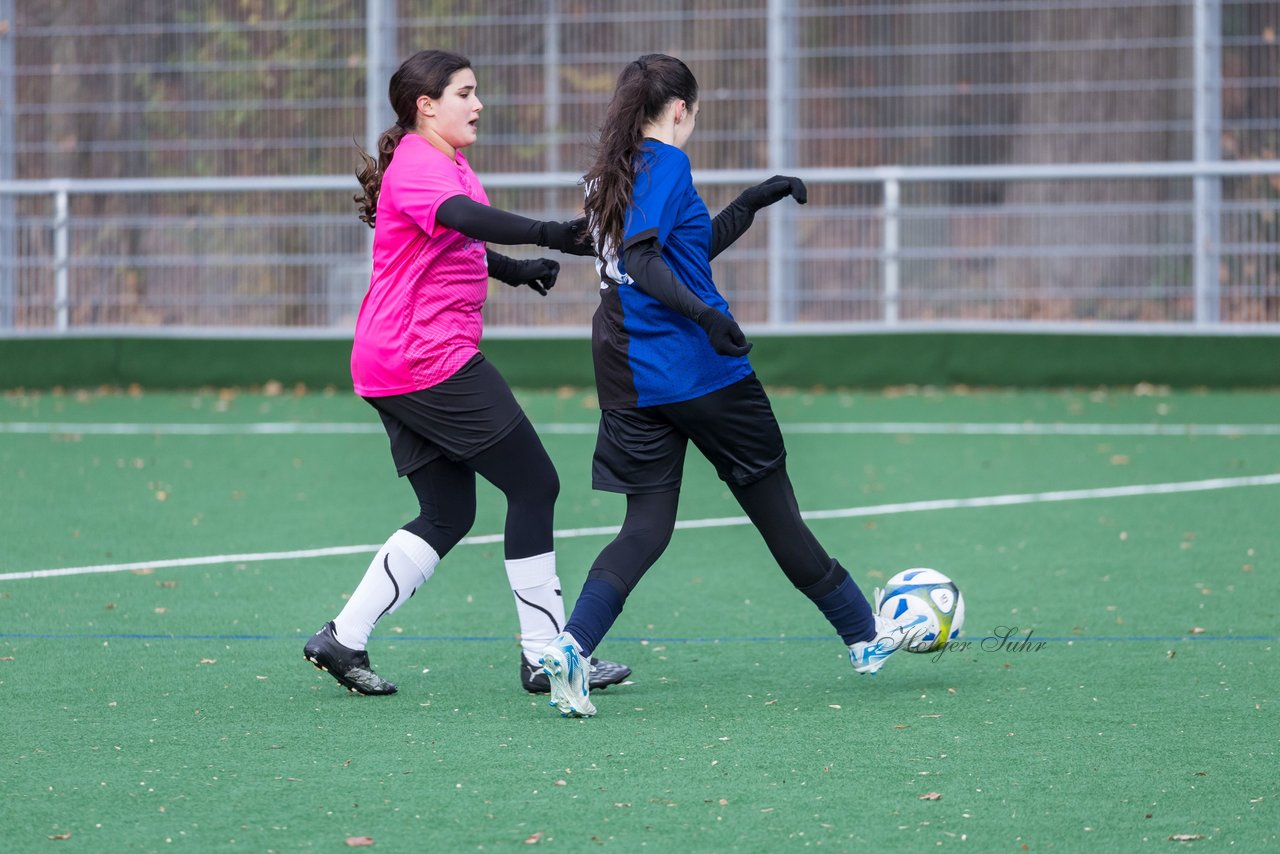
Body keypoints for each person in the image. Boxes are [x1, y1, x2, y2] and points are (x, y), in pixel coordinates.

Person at [538, 54, 915, 717]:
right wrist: (709, 317)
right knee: (776, 511)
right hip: (701, 374)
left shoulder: (614, 172)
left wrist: (748, 204)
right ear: (680, 108)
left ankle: (571, 646)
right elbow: (643, 261)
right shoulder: (665, 162)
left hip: (633, 383)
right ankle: (864, 634)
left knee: (646, 527)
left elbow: (679, 253)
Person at [303, 49, 631, 697]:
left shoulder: (443, 161)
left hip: (393, 360)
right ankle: (544, 656)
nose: (477, 104)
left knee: (448, 511)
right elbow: (460, 219)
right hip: (426, 358)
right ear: (426, 105)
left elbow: (449, 240)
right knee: (535, 486)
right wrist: (547, 235)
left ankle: (342, 638)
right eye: (465, 93)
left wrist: (512, 269)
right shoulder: (421, 163)